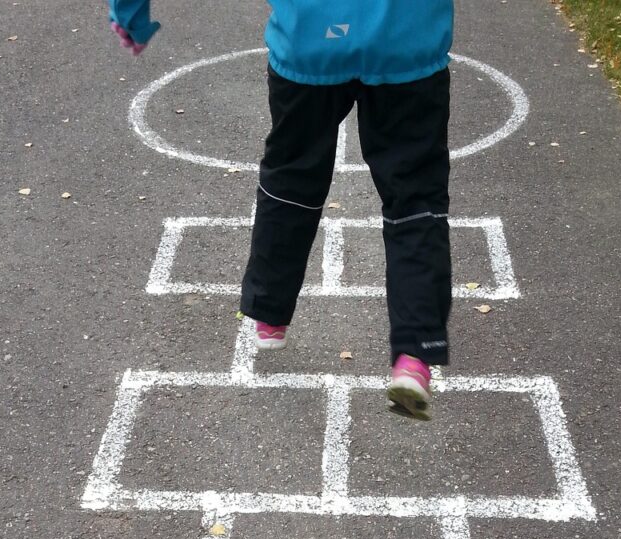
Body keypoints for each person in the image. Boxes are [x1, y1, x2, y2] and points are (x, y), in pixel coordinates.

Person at [108, 1, 455, 421]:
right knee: (415, 195)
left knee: (292, 174)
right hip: (408, 40)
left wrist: (130, 13)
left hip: (310, 36)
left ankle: (269, 313)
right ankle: (415, 354)